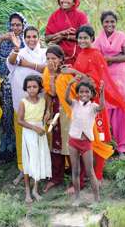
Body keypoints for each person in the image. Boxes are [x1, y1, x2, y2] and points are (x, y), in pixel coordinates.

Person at [61, 25, 125, 184]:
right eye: (80, 38)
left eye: (85, 38)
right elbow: (81, 77)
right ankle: (90, 175)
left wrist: (74, 73)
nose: (82, 40)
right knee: (88, 138)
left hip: (94, 104)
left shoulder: (96, 55)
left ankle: (99, 176)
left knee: (99, 137)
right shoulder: (81, 54)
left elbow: (94, 81)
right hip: (83, 103)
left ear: (92, 40)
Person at [0, 12, 27, 167]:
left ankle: (21, 151)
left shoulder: (26, 40)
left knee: (19, 114)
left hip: (20, 85)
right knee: (5, 117)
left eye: (18, 25)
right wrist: (2, 38)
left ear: (23, 26)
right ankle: (6, 150)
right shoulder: (2, 40)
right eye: (13, 24)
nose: (15, 27)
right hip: (3, 85)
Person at [94, 11, 125, 158]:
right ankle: (108, 145)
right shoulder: (99, 38)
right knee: (106, 110)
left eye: (112, 22)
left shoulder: (122, 36)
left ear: (116, 23)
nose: (110, 24)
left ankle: (123, 148)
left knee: (121, 110)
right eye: (106, 22)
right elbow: (95, 55)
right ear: (102, 23)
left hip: (120, 78)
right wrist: (104, 59)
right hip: (105, 77)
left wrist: (110, 59)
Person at [7, 26, 46, 183]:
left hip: (39, 102)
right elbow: (11, 61)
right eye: (28, 36)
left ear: (38, 37)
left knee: (39, 135)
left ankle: (40, 169)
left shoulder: (44, 52)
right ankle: (23, 169)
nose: (31, 39)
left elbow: (47, 68)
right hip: (21, 102)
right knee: (22, 136)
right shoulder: (19, 53)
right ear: (23, 38)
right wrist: (16, 49)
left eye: (34, 36)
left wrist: (28, 64)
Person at [65, 79, 104, 206]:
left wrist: (102, 92)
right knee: (75, 170)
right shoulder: (75, 104)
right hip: (73, 141)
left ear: (92, 94)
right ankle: (77, 198)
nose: (83, 94)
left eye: (87, 91)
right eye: (81, 91)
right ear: (77, 93)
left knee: (90, 171)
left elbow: (102, 107)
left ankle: (97, 199)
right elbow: (66, 99)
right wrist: (69, 85)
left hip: (86, 142)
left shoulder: (93, 107)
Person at [42, 45, 74, 193]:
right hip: (54, 111)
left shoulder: (67, 72)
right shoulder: (47, 72)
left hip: (68, 113)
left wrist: (56, 75)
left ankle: (76, 180)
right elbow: (50, 93)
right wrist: (47, 110)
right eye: (48, 58)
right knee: (55, 145)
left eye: (54, 58)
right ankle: (56, 178)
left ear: (61, 59)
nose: (50, 61)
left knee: (70, 146)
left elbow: (73, 94)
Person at [17, 75, 51, 203]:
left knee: (39, 159)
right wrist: (34, 128)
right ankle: (27, 191)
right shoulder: (23, 102)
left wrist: (48, 112)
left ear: (39, 88)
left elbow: (49, 102)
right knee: (28, 161)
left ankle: (35, 190)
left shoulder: (43, 100)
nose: (31, 89)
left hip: (40, 132)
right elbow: (20, 121)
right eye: (29, 87)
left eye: (35, 87)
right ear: (25, 88)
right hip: (29, 133)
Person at [45, 0, 88, 65]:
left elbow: (86, 38)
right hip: (57, 58)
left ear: (74, 1)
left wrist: (65, 37)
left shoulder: (81, 16)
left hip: (77, 56)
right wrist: (61, 33)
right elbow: (47, 38)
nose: (65, 0)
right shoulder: (54, 16)